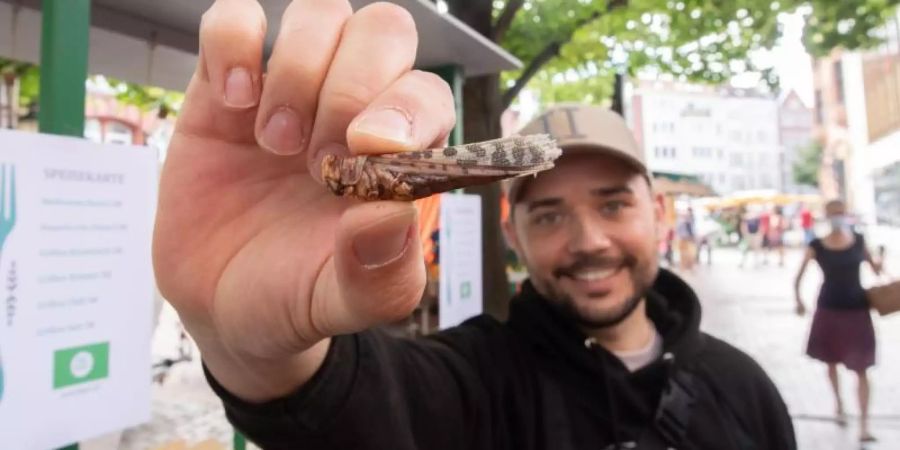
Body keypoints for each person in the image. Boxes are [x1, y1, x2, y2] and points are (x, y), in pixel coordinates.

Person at [152, 2, 796, 449]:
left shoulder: (746, 389)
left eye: (613, 204)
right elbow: (360, 412)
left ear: (657, 213)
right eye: (548, 213)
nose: (590, 241)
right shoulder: (478, 379)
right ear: (512, 234)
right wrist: (253, 353)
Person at [794, 199, 884, 443]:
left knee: (862, 368)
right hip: (828, 310)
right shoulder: (817, 246)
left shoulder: (859, 241)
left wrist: (880, 260)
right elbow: (799, 275)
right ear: (826, 216)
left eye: (840, 213)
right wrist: (799, 300)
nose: (837, 217)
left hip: (857, 310)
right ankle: (839, 405)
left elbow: (876, 269)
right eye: (833, 213)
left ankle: (864, 425)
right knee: (831, 363)